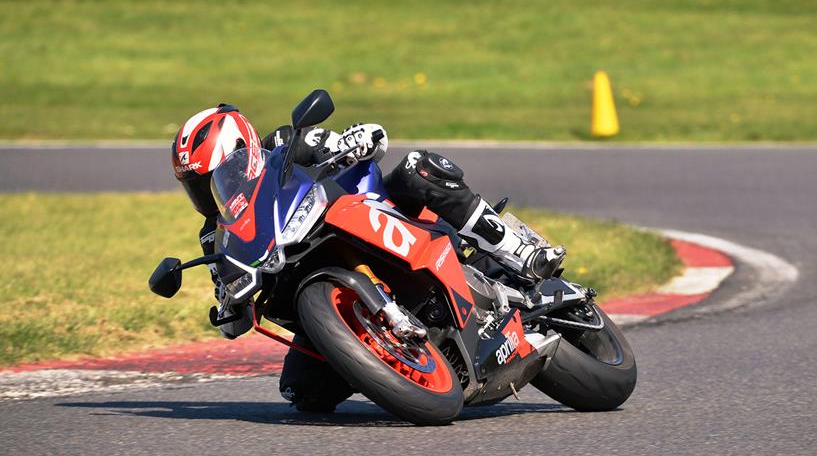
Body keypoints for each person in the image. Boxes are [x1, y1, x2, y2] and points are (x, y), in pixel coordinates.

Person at [171, 103, 565, 412]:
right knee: (304, 393)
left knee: (417, 169)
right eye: (195, 186)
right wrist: (228, 305)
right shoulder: (216, 234)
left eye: (209, 179)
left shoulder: (287, 144)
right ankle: (391, 361)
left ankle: (521, 252)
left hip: (373, 215)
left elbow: (373, 139)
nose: (205, 194)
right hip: (308, 278)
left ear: (244, 151)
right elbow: (231, 316)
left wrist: (355, 141)